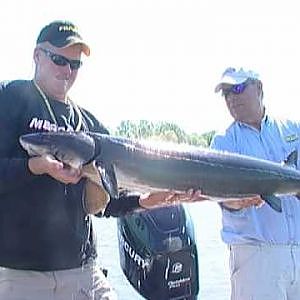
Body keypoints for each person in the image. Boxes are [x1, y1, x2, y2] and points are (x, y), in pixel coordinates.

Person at [0, 20, 204, 300]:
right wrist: (33, 166)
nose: (67, 71)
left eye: (75, 65)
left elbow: (106, 204)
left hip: (82, 271)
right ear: (37, 55)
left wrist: (146, 200)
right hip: (22, 277)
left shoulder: (89, 125)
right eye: (59, 60)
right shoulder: (9, 97)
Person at [211, 67, 300, 300]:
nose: (231, 98)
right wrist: (234, 203)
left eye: (237, 89)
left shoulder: (294, 130)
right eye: (226, 93)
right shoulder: (223, 141)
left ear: (259, 88)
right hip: (255, 258)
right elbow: (220, 196)